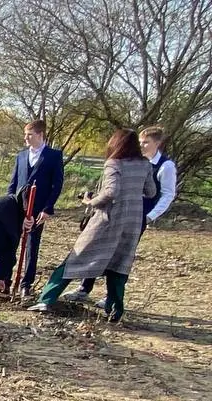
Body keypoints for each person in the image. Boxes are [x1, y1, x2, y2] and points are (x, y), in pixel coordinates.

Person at [28, 129, 154, 323]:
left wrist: (91, 201)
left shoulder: (114, 163)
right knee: (119, 265)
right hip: (132, 222)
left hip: (108, 220)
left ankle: (46, 299)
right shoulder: (145, 164)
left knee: (75, 258)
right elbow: (151, 191)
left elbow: (111, 192)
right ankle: (115, 313)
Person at [65, 125, 178, 304]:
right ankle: (84, 288)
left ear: (157, 143)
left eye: (146, 142)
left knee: (121, 255)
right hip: (114, 214)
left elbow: (167, 194)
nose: (142, 145)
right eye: (140, 142)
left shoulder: (165, 166)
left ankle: (111, 297)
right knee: (97, 248)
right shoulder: (128, 160)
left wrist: (150, 216)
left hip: (136, 217)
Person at [7, 119, 64, 297]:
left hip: (38, 210)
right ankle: (5, 280)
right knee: (11, 243)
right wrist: (9, 203)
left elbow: (57, 185)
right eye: (25, 134)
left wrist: (47, 209)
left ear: (40, 135)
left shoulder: (54, 156)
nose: (26, 138)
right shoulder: (21, 156)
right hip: (18, 208)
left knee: (32, 246)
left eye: (29, 135)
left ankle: (26, 284)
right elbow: (13, 183)